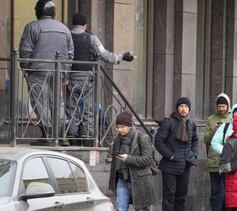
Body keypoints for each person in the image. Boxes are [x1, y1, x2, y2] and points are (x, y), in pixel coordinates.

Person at [66, 12, 134, 146]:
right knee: (89, 109)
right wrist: (122, 57)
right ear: (85, 25)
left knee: (71, 109)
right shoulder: (91, 38)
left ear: (73, 24)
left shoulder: (66, 36)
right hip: (87, 79)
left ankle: (71, 136)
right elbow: (105, 55)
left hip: (70, 78)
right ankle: (87, 136)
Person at [19, 0, 74, 145]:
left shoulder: (32, 26)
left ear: (39, 11)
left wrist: (25, 67)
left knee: (40, 102)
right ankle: (61, 136)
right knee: (58, 102)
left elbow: (25, 50)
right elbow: (70, 54)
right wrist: (66, 72)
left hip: (38, 71)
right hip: (59, 72)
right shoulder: (64, 28)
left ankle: (48, 135)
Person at [154, 97, 199, 211]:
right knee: (169, 197)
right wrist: (170, 155)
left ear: (189, 109)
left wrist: (194, 155)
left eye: (186, 107)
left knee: (181, 197)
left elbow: (195, 140)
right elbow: (158, 142)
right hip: (170, 166)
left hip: (185, 165)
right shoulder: (168, 122)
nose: (183, 109)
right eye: (181, 106)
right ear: (177, 108)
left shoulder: (191, 124)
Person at [108, 111, 155, 211]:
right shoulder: (117, 140)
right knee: (120, 209)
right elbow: (114, 164)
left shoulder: (142, 138)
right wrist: (112, 183)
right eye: (117, 127)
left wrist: (128, 158)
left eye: (122, 127)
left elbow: (148, 159)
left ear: (129, 125)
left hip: (140, 181)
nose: (119, 129)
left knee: (142, 209)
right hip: (122, 180)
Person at [203, 93, 232, 211]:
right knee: (215, 191)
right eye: (219, 106)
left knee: (227, 191)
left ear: (228, 106)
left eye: (224, 106)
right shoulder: (211, 119)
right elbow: (206, 140)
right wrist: (214, 130)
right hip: (214, 160)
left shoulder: (232, 118)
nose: (221, 109)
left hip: (228, 160)